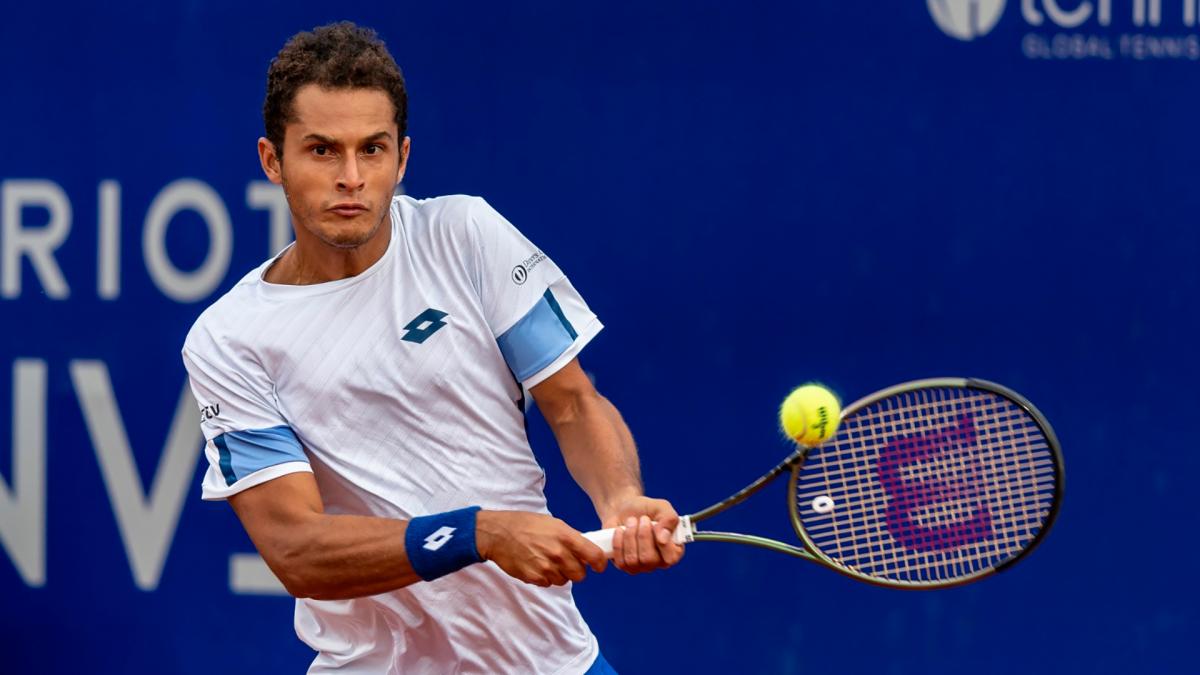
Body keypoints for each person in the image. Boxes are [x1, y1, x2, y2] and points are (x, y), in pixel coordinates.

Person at [181, 21, 684, 675]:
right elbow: (296, 548)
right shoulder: (230, 339)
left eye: (372, 149)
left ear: (403, 158)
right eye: (322, 150)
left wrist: (620, 499)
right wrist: (479, 532)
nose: (351, 177)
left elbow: (573, 403)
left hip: (551, 660)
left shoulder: (465, 235)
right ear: (272, 160)